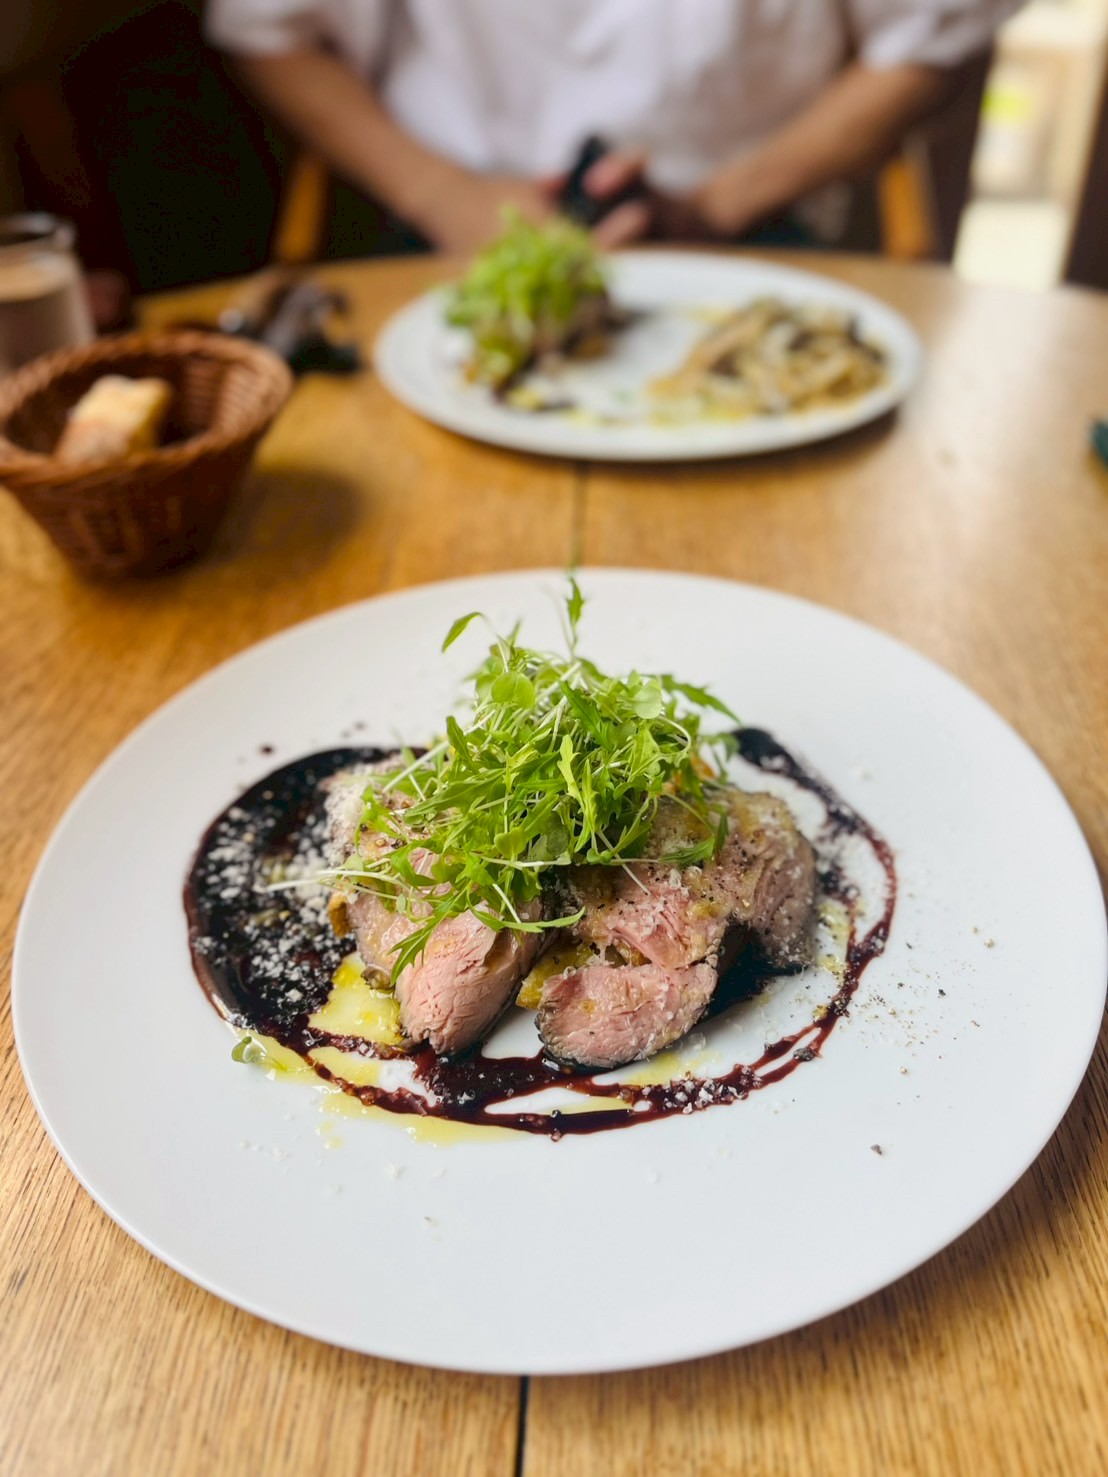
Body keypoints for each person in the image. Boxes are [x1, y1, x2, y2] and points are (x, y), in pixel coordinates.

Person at [207, 0, 1019, 253]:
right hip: (448, 229)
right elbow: (267, 29)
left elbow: (928, 41)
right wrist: (440, 193)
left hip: (759, 222)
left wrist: (720, 203)